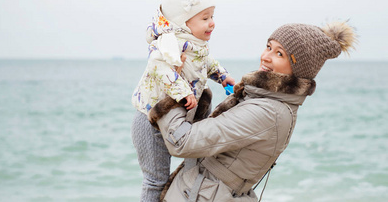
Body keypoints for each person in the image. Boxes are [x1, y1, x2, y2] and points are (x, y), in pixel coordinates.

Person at [149, 21, 357, 201]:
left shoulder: (268, 112)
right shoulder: (265, 100)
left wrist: (173, 88)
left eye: (279, 53)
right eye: (268, 46)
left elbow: (182, 142)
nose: (266, 56)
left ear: (298, 70)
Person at [131, 0, 235, 201]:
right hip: (151, 121)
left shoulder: (196, 45)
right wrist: (181, 92)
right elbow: (160, 68)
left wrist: (222, 76)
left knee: (192, 172)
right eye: (205, 18)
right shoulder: (167, 45)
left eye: (212, 16)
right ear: (182, 21)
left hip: (180, 119)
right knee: (155, 180)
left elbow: (205, 63)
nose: (212, 23)